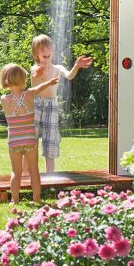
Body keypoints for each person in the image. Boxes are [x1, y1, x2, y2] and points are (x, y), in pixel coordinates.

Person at [30, 34, 93, 174]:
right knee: (30, 140)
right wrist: (41, 73)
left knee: (50, 139)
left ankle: (50, 174)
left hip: (51, 106)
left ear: (52, 50)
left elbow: (69, 76)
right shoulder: (34, 69)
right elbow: (36, 77)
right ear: (36, 54)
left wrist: (76, 66)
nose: (46, 51)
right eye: (42, 49)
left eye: (48, 48)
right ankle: (27, 173)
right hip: (35, 105)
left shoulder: (58, 68)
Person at [0, 63, 59, 204]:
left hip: (14, 142)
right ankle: (37, 198)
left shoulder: (4, 99)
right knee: (34, 170)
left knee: (16, 171)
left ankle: (14, 199)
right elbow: (38, 88)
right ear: (22, 80)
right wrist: (49, 82)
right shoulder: (29, 94)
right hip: (30, 140)